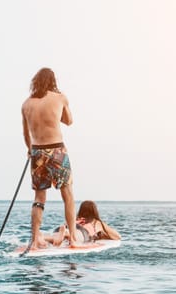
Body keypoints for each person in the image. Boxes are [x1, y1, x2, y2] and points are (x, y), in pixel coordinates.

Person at [21, 67, 79, 249]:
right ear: (52, 81)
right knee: (67, 194)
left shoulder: (26, 104)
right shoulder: (59, 97)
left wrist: (30, 150)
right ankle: (74, 239)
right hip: (56, 151)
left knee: (39, 198)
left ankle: (36, 238)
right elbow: (69, 121)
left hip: (37, 152)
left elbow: (25, 134)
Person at [43, 200, 121, 246]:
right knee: (75, 236)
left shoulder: (75, 219)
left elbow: (66, 224)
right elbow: (117, 236)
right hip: (83, 232)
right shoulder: (97, 222)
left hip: (65, 227)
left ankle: (43, 237)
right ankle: (66, 234)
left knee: (55, 236)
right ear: (95, 211)